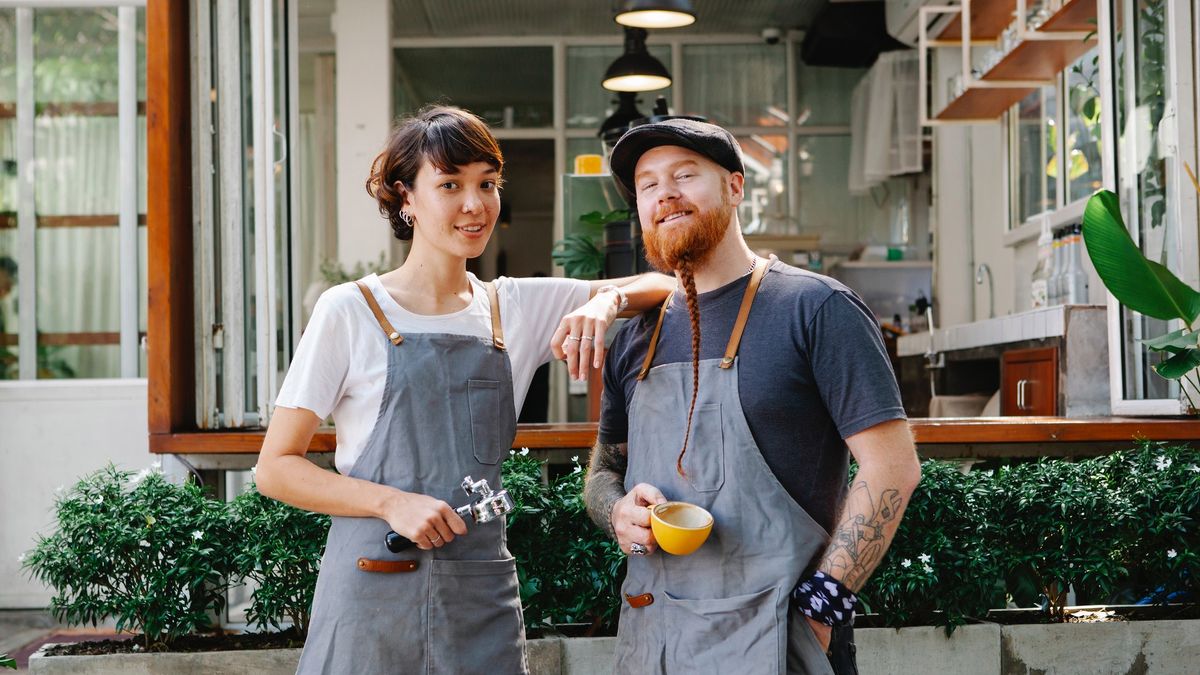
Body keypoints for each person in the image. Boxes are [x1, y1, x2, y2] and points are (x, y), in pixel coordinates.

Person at [255, 105, 673, 675]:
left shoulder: (513, 307)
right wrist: (390, 501)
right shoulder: (349, 310)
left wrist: (605, 300)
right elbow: (275, 467)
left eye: (488, 184)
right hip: (372, 589)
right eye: (449, 185)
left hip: (478, 597)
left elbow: (663, 285)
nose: (475, 206)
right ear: (405, 197)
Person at [583, 119, 922, 675]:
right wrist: (615, 509)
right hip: (655, 642)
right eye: (647, 184)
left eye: (685, 175)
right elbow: (603, 469)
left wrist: (824, 606)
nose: (665, 193)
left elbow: (892, 468)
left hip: (777, 641)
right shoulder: (634, 339)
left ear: (735, 187)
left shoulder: (815, 309)